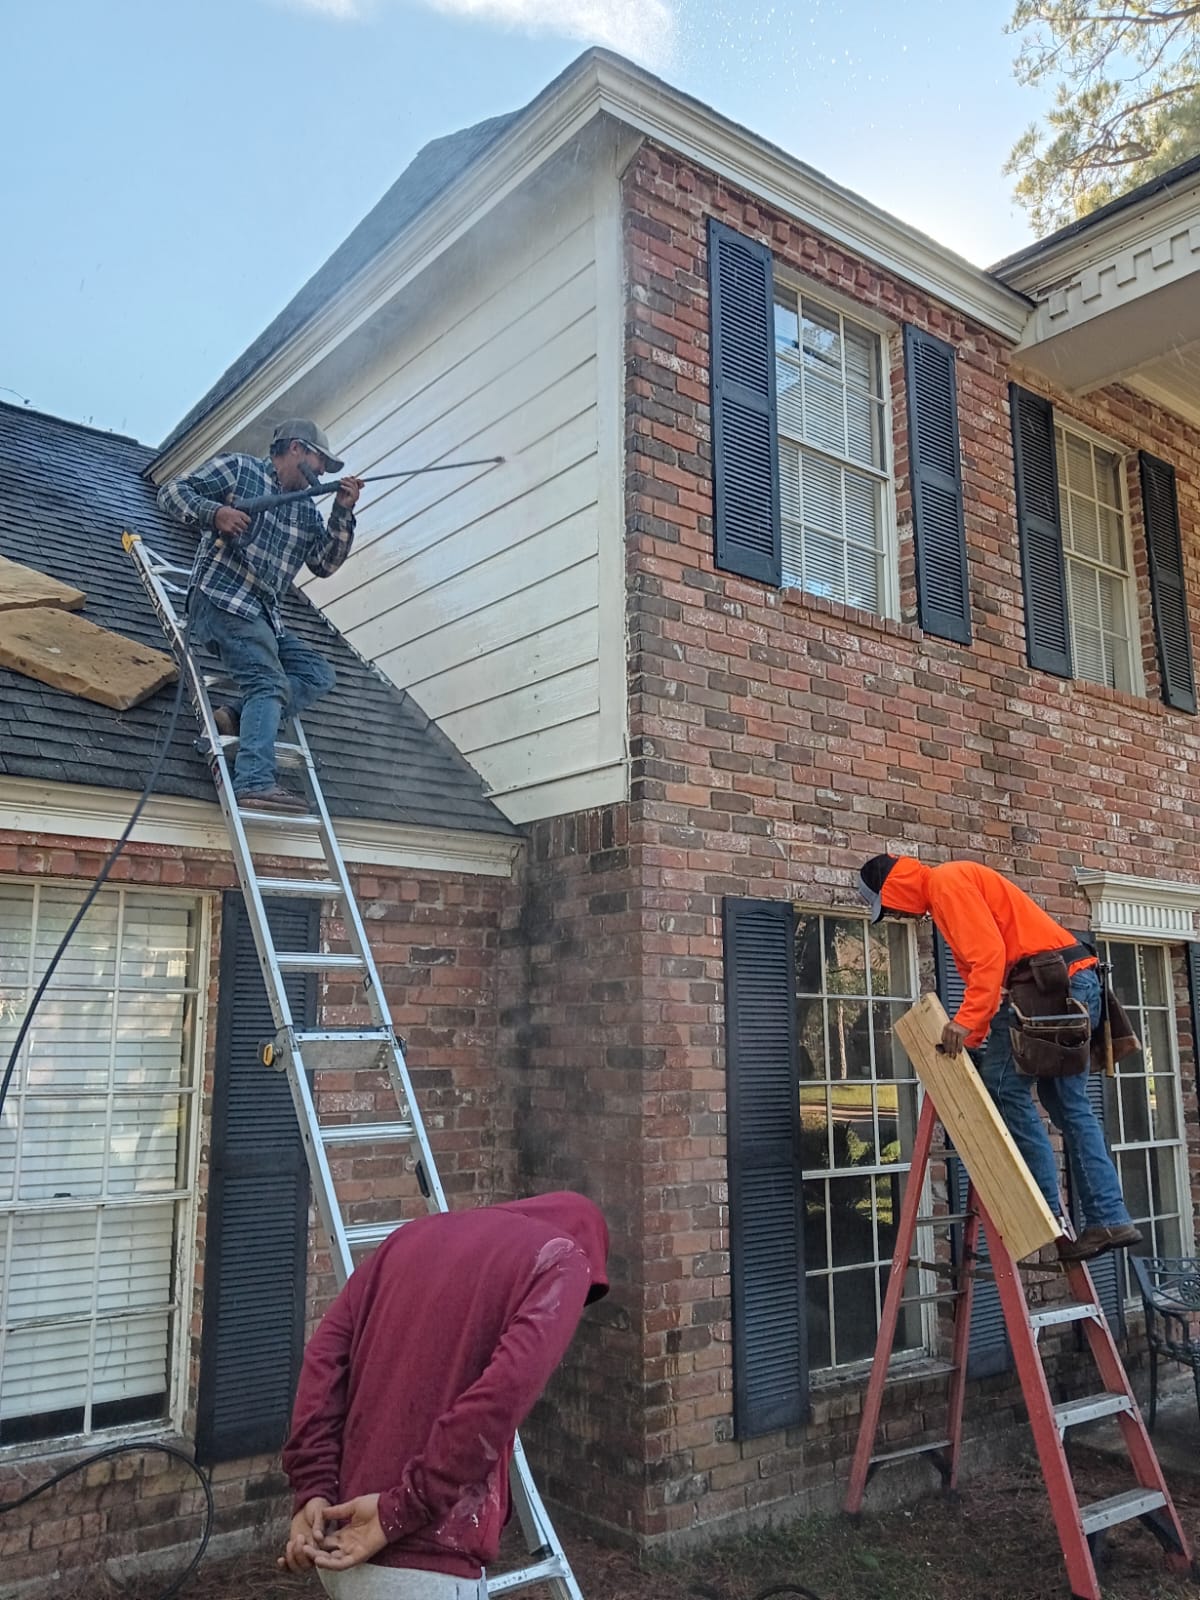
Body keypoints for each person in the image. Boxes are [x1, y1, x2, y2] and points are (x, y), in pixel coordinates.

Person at [279, 1192, 610, 1598]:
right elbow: (498, 1400)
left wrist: (313, 1488)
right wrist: (399, 1509)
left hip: (336, 1538)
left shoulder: (407, 1238)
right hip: (422, 1558)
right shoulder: (563, 1256)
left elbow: (322, 1362)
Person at [857, 853, 1141, 1263]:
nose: (899, 913)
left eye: (891, 905)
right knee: (1068, 1104)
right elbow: (980, 975)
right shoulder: (947, 891)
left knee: (1005, 1086)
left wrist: (965, 1026)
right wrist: (976, 1038)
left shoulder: (946, 884)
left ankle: (1043, 1210)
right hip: (1070, 983)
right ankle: (1109, 1217)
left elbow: (988, 957)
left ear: (894, 889)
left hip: (1052, 987)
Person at [157, 419, 363, 814]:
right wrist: (214, 512)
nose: (322, 472)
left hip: (263, 618)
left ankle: (235, 715)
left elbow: (324, 564)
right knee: (267, 682)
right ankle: (254, 781)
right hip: (219, 601)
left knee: (318, 674)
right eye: (321, 462)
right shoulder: (239, 469)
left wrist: (342, 513)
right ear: (297, 450)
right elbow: (172, 491)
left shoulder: (304, 511)